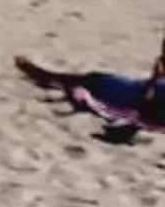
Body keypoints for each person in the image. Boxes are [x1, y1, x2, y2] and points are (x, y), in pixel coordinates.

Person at [14, 25, 165, 138]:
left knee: (91, 80)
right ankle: (44, 75)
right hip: (131, 89)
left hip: (123, 93)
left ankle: (43, 75)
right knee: (93, 78)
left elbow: (145, 104)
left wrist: (154, 78)